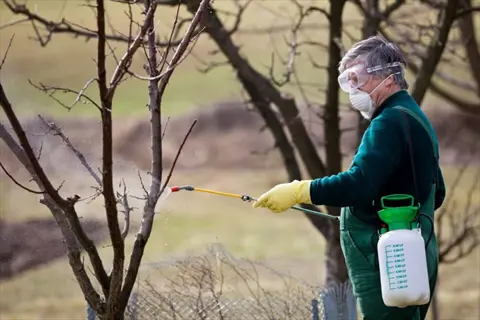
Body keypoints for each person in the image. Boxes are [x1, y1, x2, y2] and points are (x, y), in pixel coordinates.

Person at [252, 35, 446, 320]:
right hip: (415, 257)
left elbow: (358, 185)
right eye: (348, 81)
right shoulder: (413, 116)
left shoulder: (388, 123)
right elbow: (436, 192)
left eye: (357, 79)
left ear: (388, 79)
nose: (352, 90)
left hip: (389, 263)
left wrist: (300, 191)